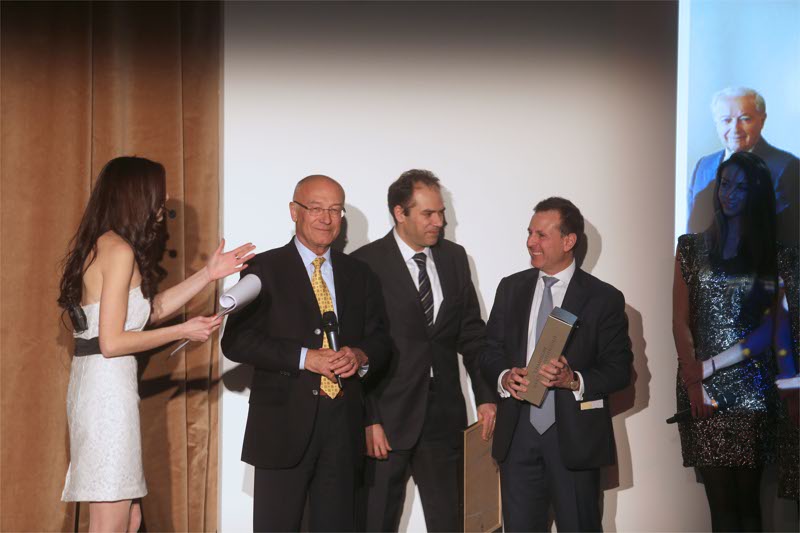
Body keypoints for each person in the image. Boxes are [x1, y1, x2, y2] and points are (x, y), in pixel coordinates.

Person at [57, 156, 253, 532]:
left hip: (101, 387)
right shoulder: (119, 251)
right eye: (157, 193)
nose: (162, 203)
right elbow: (112, 342)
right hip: (106, 395)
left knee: (129, 517)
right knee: (112, 522)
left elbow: (145, 312)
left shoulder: (106, 244)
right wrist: (183, 331)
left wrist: (208, 274)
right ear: (136, 194)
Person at [220, 174, 391, 532]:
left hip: (343, 426)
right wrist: (304, 357)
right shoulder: (263, 268)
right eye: (316, 208)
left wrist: (359, 356)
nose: (326, 219)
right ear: (294, 211)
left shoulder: (359, 273)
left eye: (335, 210)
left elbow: (380, 339)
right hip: (282, 425)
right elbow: (235, 342)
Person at [352, 170, 496, 532]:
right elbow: (357, 349)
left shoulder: (454, 258)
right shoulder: (364, 263)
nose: (439, 222)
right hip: (386, 420)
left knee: (451, 524)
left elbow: (472, 334)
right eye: (428, 214)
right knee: (375, 523)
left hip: (444, 418)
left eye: (441, 213)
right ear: (400, 213)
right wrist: (369, 419)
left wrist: (485, 396)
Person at [480, 197, 632, 532]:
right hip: (518, 436)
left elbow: (620, 369)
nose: (531, 242)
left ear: (568, 241)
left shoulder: (603, 298)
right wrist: (505, 377)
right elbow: (489, 350)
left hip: (575, 439)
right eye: (529, 233)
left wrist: (573, 379)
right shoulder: (511, 288)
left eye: (541, 235)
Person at [673, 151, 787, 530]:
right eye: (725, 184)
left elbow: (770, 331)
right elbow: (679, 320)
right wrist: (694, 383)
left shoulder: (772, 255)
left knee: (748, 506)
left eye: (740, 187)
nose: (729, 194)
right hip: (701, 388)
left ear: (755, 194)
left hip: (751, 388)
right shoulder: (691, 247)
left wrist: (706, 368)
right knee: (719, 507)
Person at [687, 87, 798, 247]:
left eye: (745, 119)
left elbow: (788, 239)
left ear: (762, 120)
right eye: (726, 120)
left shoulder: (787, 168)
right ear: (716, 123)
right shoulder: (703, 166)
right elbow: (693, 230)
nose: (735, 129)